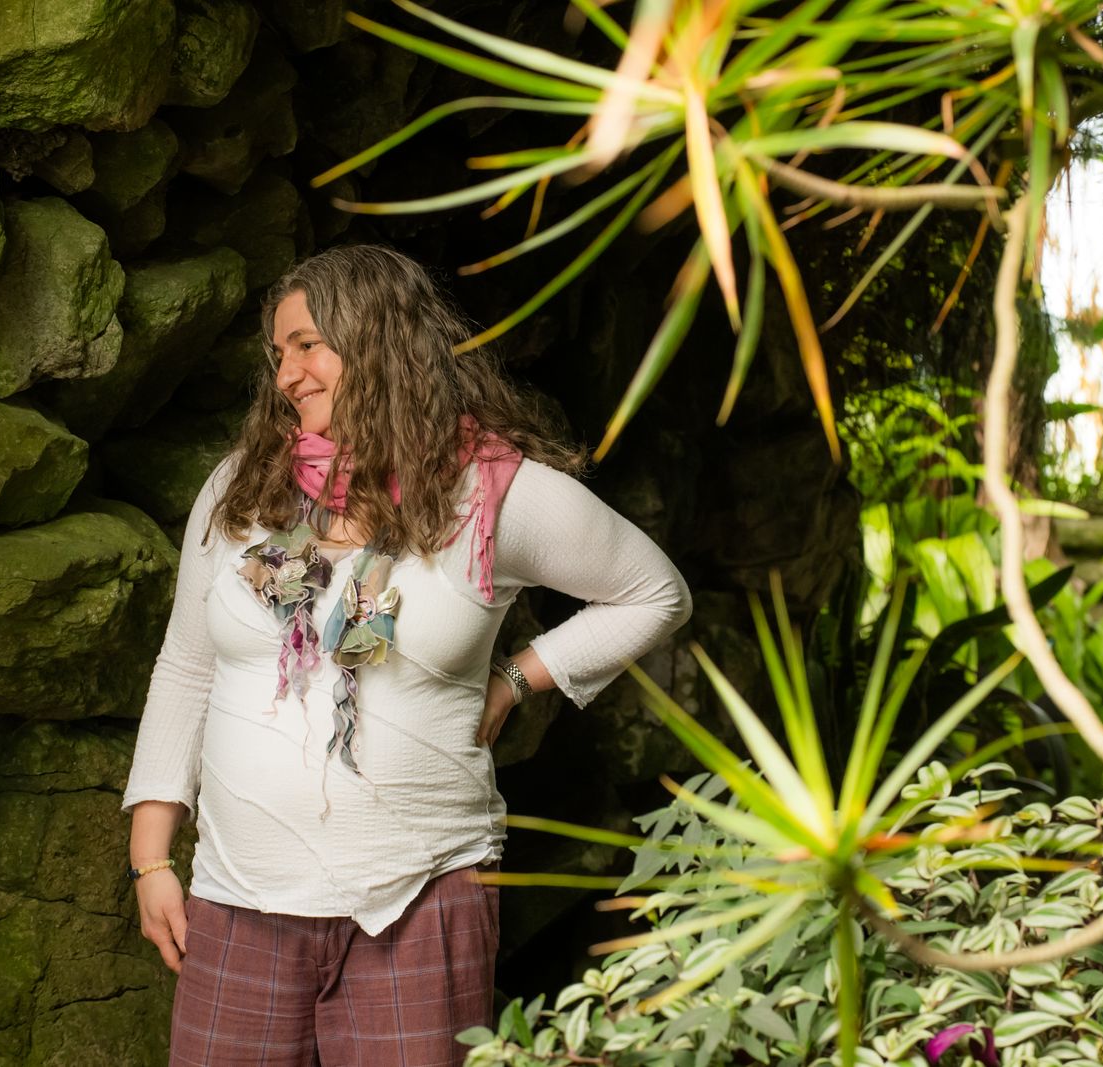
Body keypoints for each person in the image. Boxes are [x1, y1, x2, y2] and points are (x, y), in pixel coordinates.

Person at [121, 244, 692, 1067]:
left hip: (420, 900)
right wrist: (150, 858)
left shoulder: (490, 493)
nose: (287, 374)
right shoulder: (242, 488)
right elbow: (185, 665)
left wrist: (517, 677)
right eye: (278, 353)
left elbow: (653, 592)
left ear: (377, 340)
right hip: (239, 899)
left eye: (308, 345)